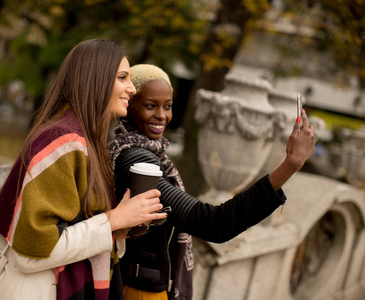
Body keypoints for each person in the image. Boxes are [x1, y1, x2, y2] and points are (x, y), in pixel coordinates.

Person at [0, 40, 168, 300]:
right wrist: (115, 219)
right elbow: (32, 251)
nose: (131, 88)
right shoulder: (62, 140)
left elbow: (78, 228)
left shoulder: (86, 142)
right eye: (122, 77)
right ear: (94, 79)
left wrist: (121, 227)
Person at [108, 64, 316, 300]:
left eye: (168, 106)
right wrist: (290, 165)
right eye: (150, 105)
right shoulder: (136, 160)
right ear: (128, 104)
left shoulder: (148, 153)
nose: (162, 116)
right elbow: (213, 223)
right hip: (137, 291)